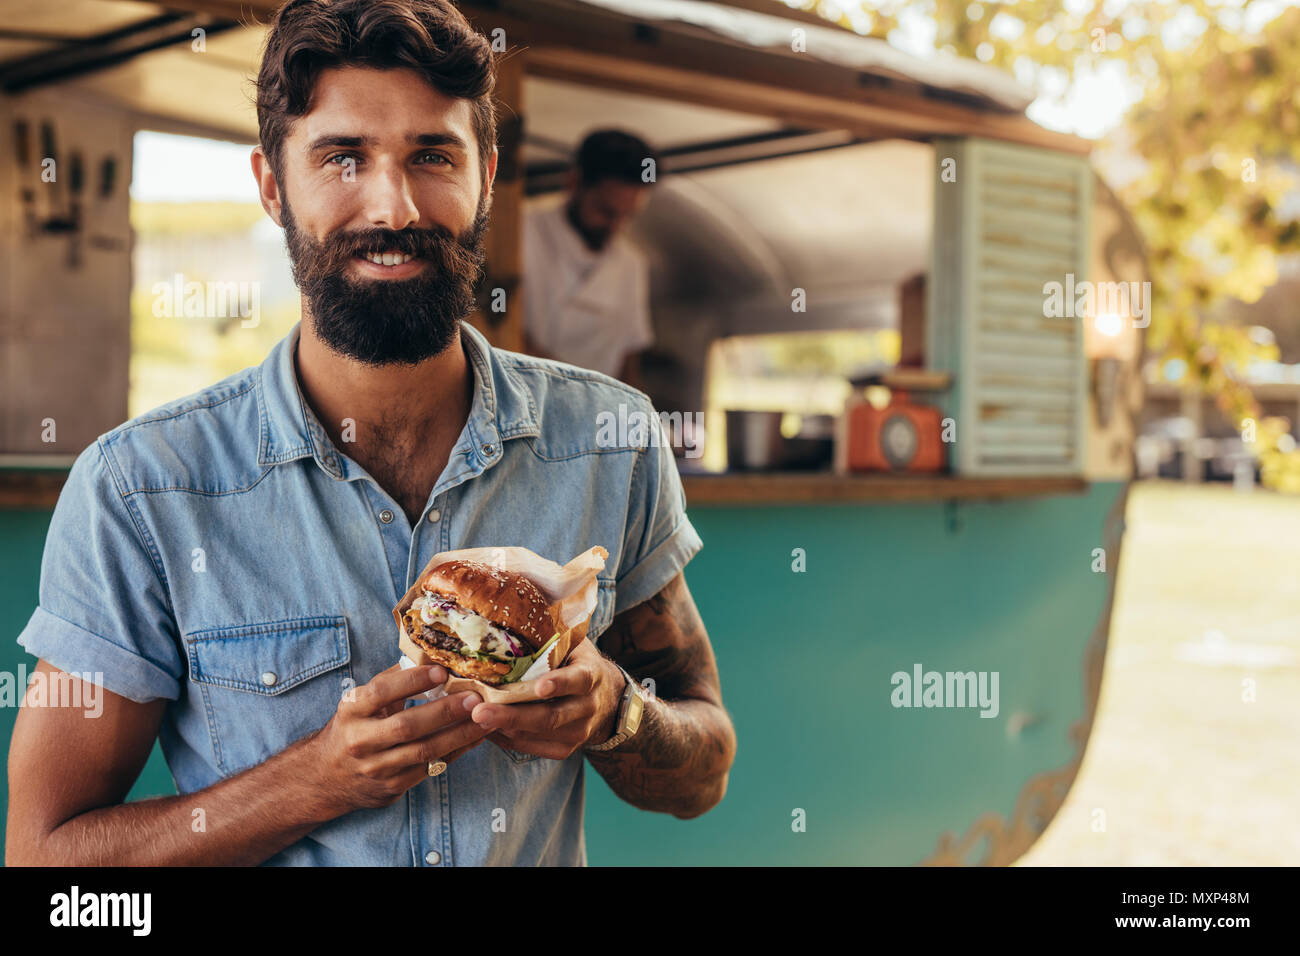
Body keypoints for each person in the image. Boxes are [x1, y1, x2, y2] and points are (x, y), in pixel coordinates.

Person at [6, 0, 734, 867]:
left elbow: (703, 775)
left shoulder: (610, 441)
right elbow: (48, 867)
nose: (392, 207)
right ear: (273, 186)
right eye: (342, 157)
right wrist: (317, 780)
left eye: (432, 155)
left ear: (487, 176)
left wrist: (617, 712)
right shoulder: (141, 490)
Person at [523, 129, 657, 387]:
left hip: (596, 413)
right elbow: (498, 327)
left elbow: (629, 356)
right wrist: (571, 389)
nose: (616, 226)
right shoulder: (521, 235)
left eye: (627, 216)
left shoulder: (632, 264)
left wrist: (629, 418)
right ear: (574, 183)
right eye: (605, 212)